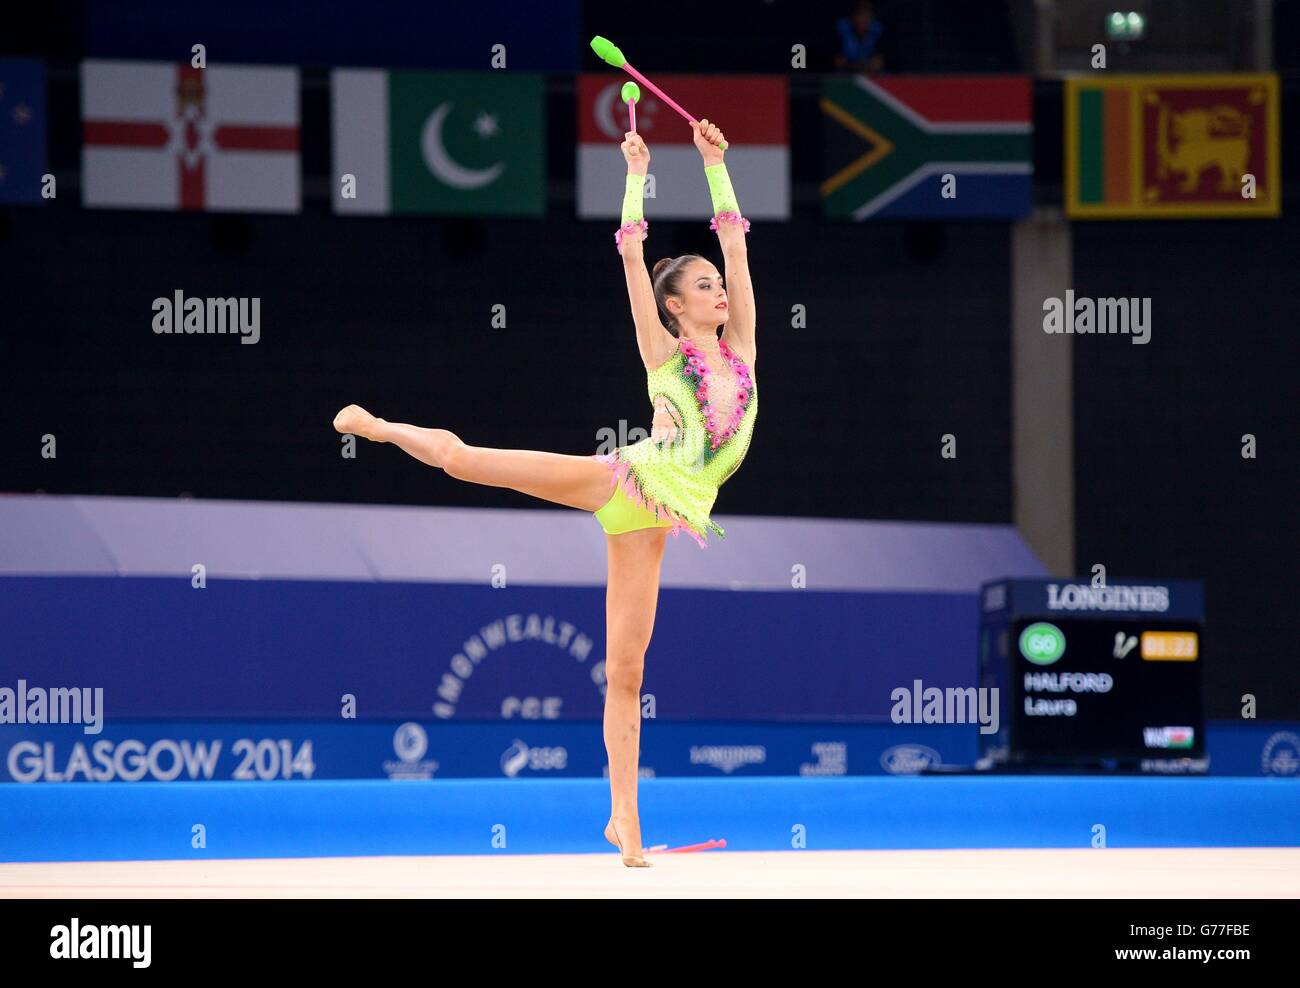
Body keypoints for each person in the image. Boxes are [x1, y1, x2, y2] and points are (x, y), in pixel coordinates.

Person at [332, 118, 757, 867]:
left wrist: (715, 165)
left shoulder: (744, 351)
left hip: (662, 522)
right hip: (629, 482)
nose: (719, 291)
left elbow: (736, 239)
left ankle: (623, 820)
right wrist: (636, 174)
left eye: (719, 286)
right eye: (703, 288)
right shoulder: (662, 354)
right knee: (470, 462)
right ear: (674, 308)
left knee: (628, 672)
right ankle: (383, 425)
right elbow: (631, 252)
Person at [834, 0, 886, 72]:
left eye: (866, 15)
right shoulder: (841, 30)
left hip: (871, 75)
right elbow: (838, 62)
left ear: (872, 17)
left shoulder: (878, 31)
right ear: (852, 16)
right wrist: (855, 66)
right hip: (845, 75)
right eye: (859, 14)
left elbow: (878, 63)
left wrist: (860, 65)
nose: (862, 19)